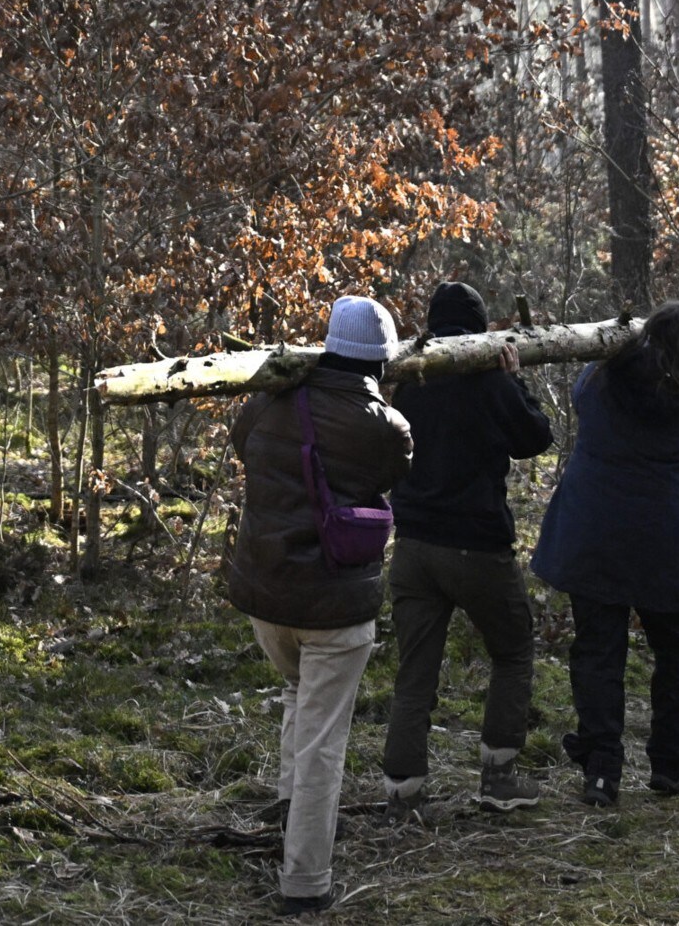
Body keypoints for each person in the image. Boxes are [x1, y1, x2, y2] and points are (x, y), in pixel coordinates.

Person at [228, 295, 414, 917]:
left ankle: (288, 819)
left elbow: (240, 444)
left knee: (295, 701)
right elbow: (399, 468)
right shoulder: (382, 423)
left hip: (266, 595)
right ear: (380, 362)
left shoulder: (270, 400)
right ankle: (305, 881)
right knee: (322, 744)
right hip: (335, 608)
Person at [532, 301, 679, 807]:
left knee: (598, 653)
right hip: (664, 539)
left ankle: (601, 770)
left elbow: (579, 393)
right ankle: (674, 763)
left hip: (594, 533)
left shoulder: (599, 381)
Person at [380, 283, 555, 818]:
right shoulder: (487, 380)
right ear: (481, 330)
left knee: (415, 672)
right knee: (514, 649)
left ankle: (403, 794)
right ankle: (498, 776)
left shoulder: (411, 380)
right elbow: (536, 438)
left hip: (412, 547)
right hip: (477, 546)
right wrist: (513, 380)